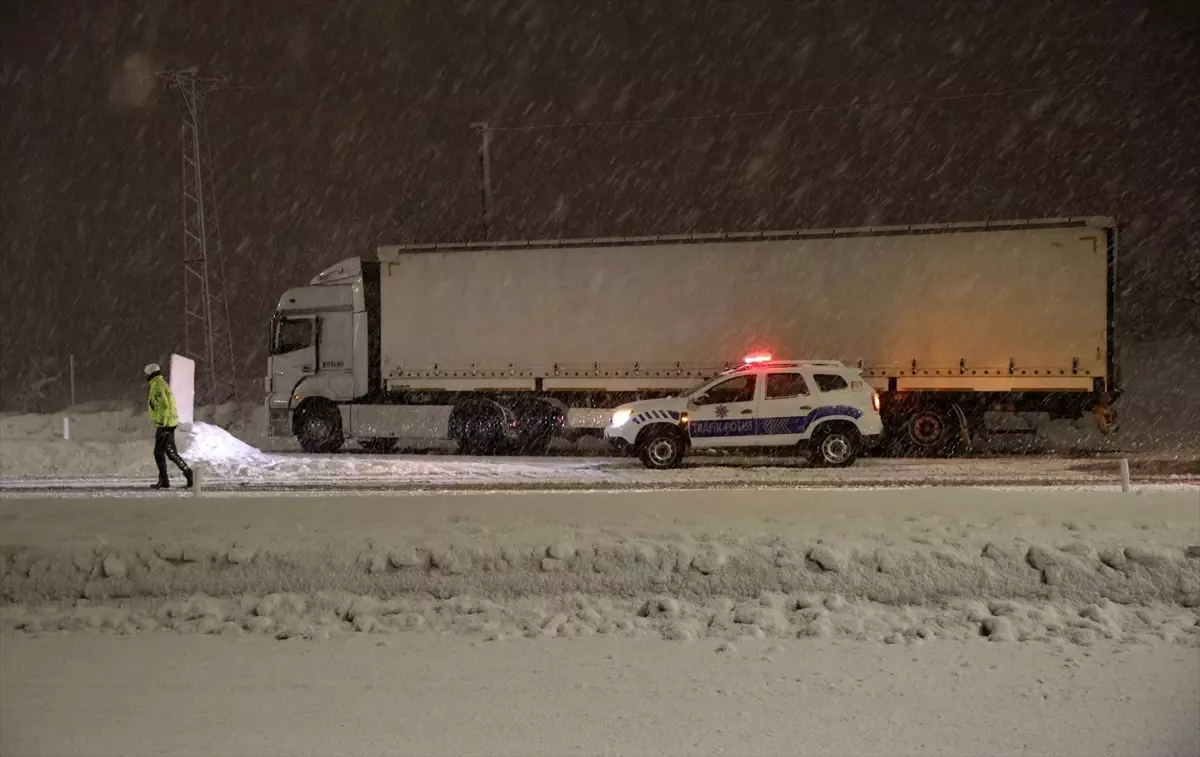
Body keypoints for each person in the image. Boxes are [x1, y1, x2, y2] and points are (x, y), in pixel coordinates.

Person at [145, 363, 193, 489]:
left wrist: (161, 422)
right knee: (170, 452)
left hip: (165, 424)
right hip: (170, 422)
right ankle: (188, 473)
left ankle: (164, 480)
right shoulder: (162, 383)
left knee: (158, 453)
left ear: (150, 374)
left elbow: (163, 405)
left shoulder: (157, 386)